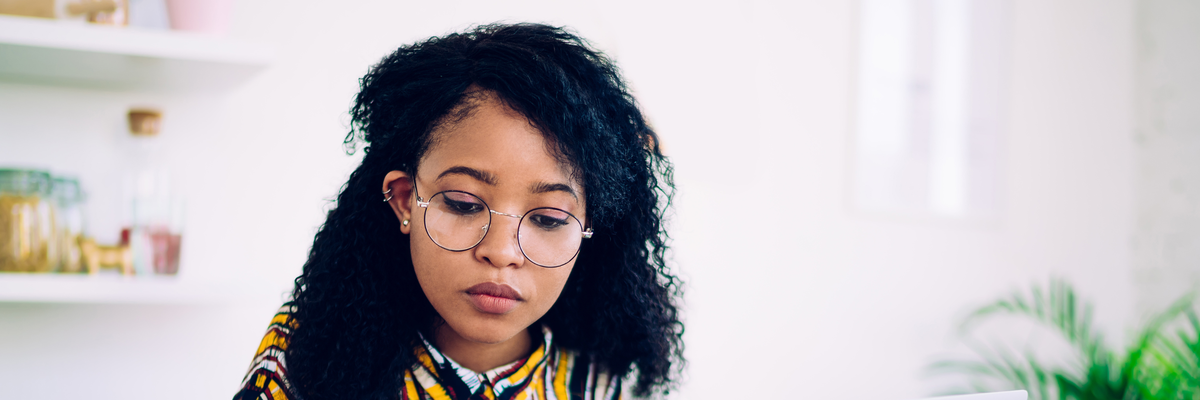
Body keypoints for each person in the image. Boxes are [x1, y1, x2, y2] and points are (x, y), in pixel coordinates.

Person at [233, 23, 683, 400]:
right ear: (405, 199)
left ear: (588, 227)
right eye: (464, 204)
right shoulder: (305, 358)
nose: (502, 252)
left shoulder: (600, 381)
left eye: (548, 218)